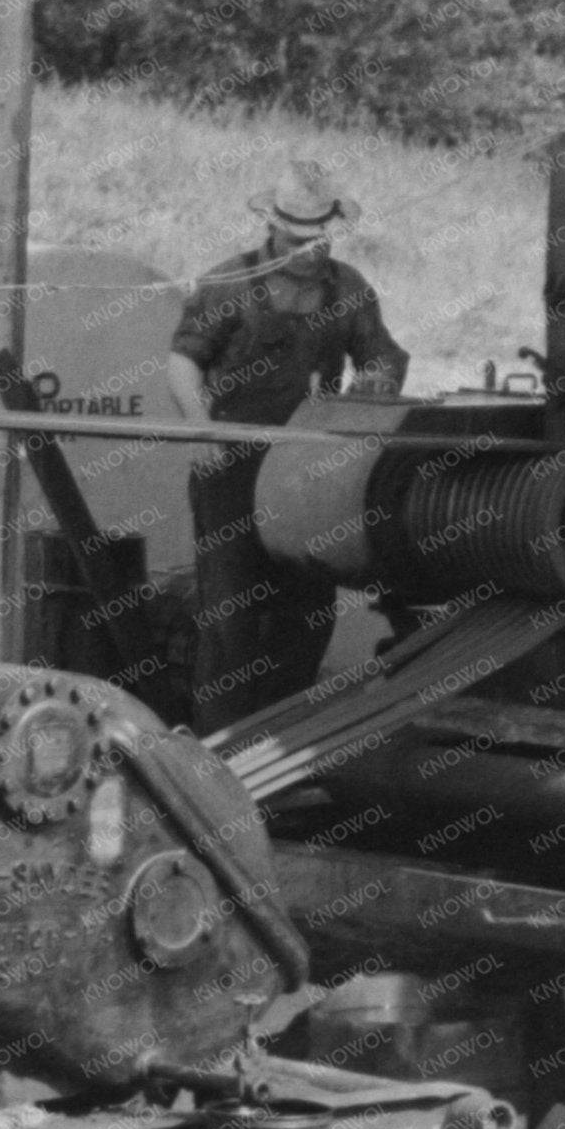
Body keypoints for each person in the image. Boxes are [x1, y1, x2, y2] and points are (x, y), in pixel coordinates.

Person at [165, 161, 410, 729]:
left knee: (307, 608)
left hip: (305, 470)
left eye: (319, 239)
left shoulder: (347, 289)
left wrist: (375, 383)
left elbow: (383, 354)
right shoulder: (229, 282)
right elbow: (182, 363)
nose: (309, 250)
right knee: (231, 613)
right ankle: (219, 745)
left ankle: (285, 736)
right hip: (231, 465)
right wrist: (202, 428)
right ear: (273, 230)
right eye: (298, 240)